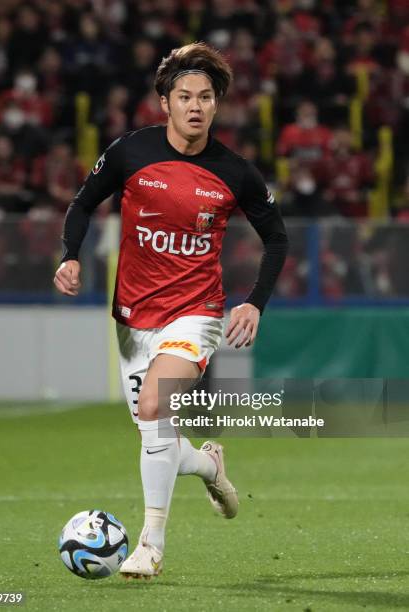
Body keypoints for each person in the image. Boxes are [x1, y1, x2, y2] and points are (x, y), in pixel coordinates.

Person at [54, 42, 288, 578]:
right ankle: (210, 466)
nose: (195, 106)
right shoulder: (130, 153)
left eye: (205, 96)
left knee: (157, 408)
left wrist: (254, 302)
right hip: (134, 318)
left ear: (217, 104)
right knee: (155, 433)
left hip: (196, 312)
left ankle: (151, 545)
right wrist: (70, 256)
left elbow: (276, 240)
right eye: (184, 96)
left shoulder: (235, 172)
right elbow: (83, 203)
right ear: (165, 101)